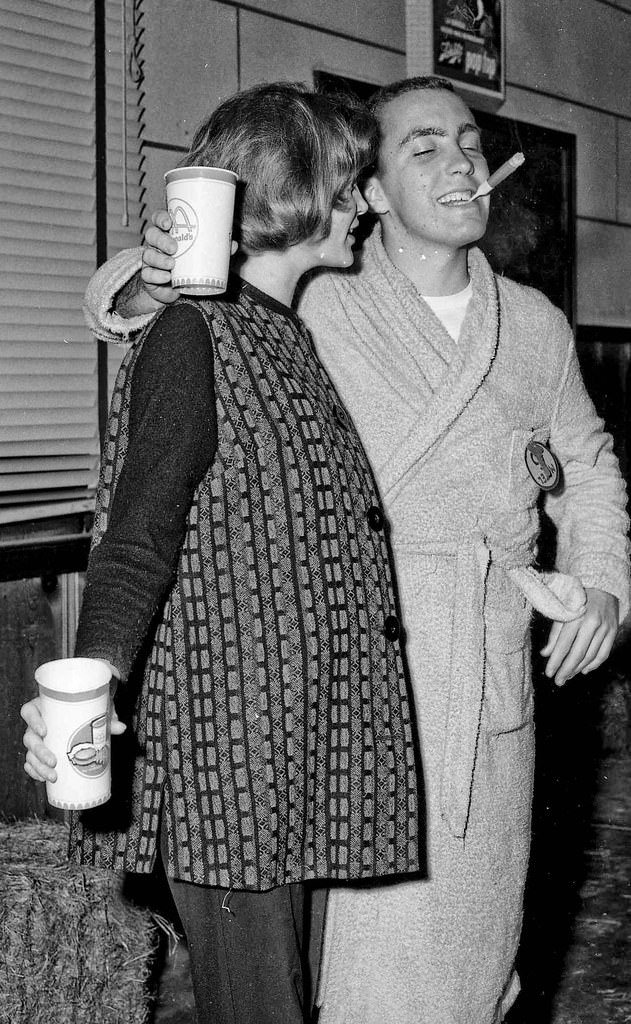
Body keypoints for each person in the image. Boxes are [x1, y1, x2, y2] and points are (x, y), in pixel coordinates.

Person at [29, 76, 631, 1023]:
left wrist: (601, 583)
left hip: (476, 675)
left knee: (467, 963)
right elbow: (168, 325)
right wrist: (157, 269)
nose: (462, 162)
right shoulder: (324, 294)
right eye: (422, 148)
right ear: (368, 192)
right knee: (328, 981)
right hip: (313, 703)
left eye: (471, 142)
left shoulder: (536, 328)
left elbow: (590, 464)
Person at [20, 81, 421, 1024]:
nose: (365, 202)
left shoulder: (284, 337)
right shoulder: (192, 335)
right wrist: (93, 682)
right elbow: (136, 540)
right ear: (294, 189)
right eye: (352, 181)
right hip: (231, 764)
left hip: (301, 754)